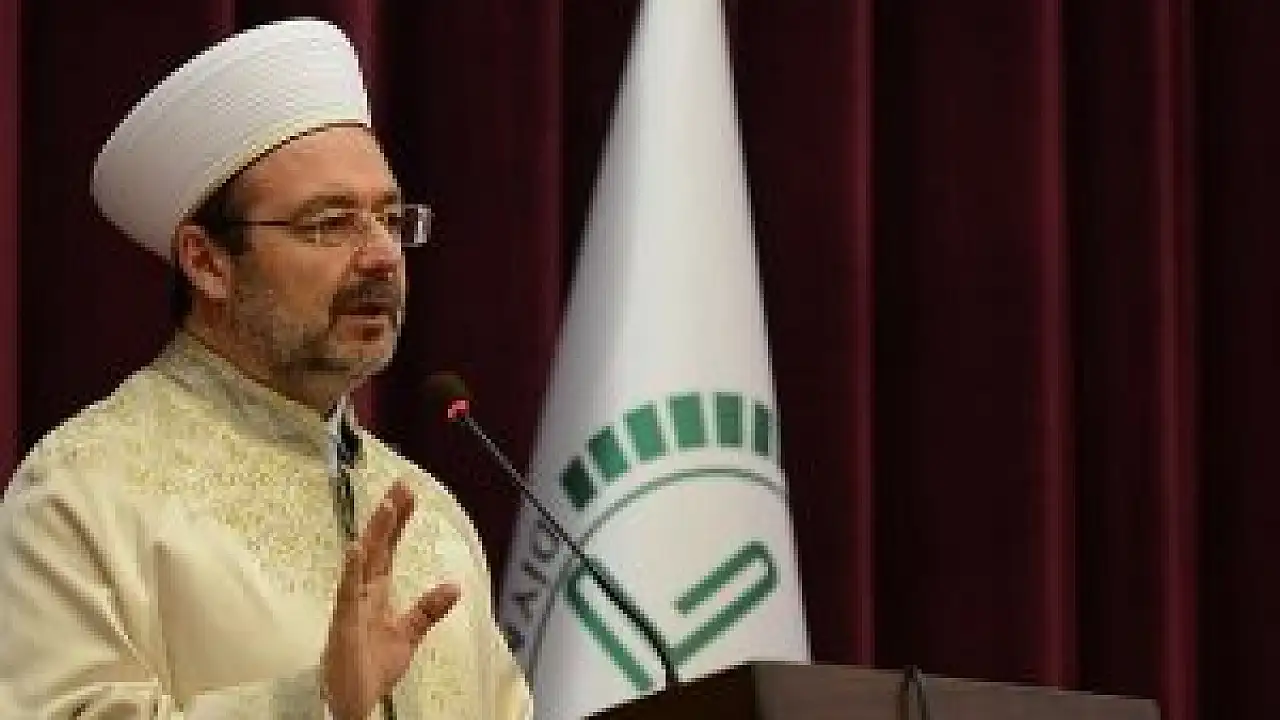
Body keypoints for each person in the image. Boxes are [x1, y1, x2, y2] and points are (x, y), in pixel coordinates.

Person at [0, 17, 532, 720]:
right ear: (207, 262)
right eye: (330, 223)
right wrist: (311, 705)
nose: (381, 255)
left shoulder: (430, 516)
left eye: (390, 218)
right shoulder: (84, 490)